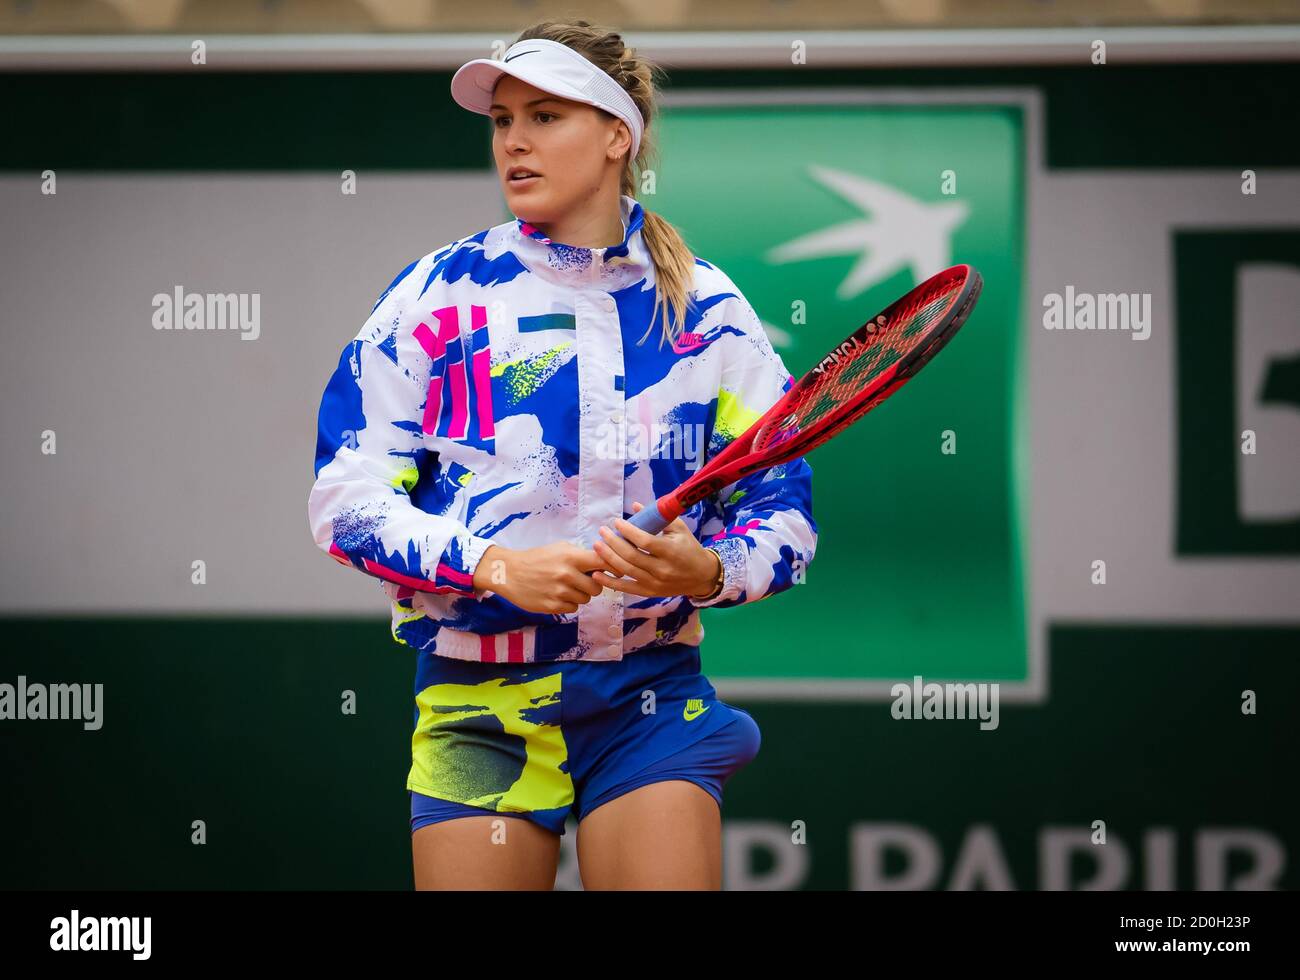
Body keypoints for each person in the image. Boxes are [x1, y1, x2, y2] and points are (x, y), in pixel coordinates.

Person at [307, 20, 817, 890]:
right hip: (477, 711)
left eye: (545, 116)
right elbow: (344, 499)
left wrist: (707, 570)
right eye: (503, 121)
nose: (514, 142)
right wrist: (492, 564)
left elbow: (787, 516)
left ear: (618, 136)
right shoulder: (435, 295)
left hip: (649, 701)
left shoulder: (708, 309)